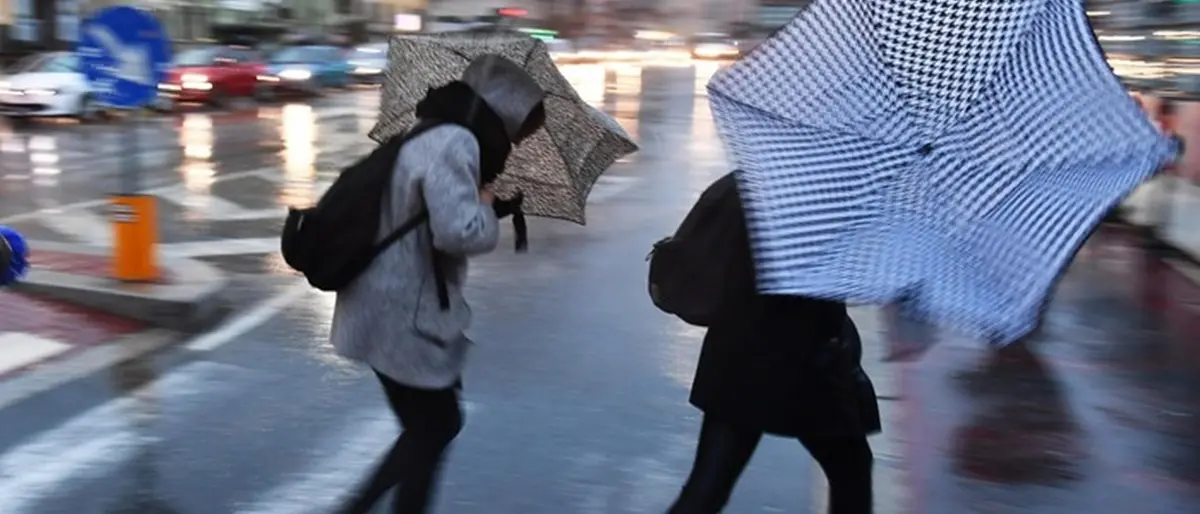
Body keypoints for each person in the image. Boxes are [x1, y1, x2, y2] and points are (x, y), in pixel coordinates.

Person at [331, 54, 546, 514]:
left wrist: (487, 202)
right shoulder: (456, 142)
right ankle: (353, 508)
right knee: (436, 425)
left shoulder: (433, 128)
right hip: (400, 310)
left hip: (386, 302)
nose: (518, 141)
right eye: (520, 129)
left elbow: (424, 211)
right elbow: (456, 232)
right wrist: (484, 209)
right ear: (503, 110)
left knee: (428, 427)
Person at [667, 175, 881, 514]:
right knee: (851, 473)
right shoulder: (820, 193)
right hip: (805, 366)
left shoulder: (747, 181)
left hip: (733, 358)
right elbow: (826, 287)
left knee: (708, 487)